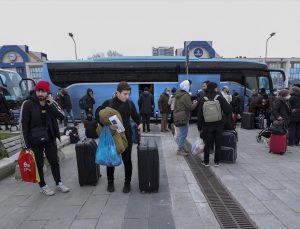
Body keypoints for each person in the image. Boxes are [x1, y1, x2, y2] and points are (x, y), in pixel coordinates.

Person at [20, 80, 69, 196]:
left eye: (43, 91)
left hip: (49, 137)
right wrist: (26, 145)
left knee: (54, 162)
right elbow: (23, 125)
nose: (40, 94)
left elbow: (62, 116)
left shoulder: (51, 102)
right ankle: (43, 185)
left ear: (47, 92)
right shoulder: (27, 103)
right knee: (39, 164)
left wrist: (51, 104)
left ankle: (59, 182)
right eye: (38, 91)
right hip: (34, 140)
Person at [97, 81, 142, 193]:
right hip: (112, 137)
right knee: (111, 159)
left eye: (128, 94)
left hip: (126, 137)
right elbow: (98, 116)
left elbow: (136, 116)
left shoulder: (130, 104)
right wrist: (107, 125)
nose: (127, 96)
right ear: (118, 93)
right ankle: (110, 182)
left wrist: (140, 123)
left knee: (127, 161)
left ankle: (127, 183)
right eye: (125, 94)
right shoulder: (108, 103)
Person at [197, 82, 232, 167]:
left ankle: (206, 162)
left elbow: (200, 114)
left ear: (207, 88)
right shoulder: (219, 97)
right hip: (218, 124)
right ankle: (217, 162)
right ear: (215, 88)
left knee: (207, 144)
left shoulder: (203, 98)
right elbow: (228, 109)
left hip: (207, 125)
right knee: (218, 143)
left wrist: (199, 126)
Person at [174, 80, 198, 156]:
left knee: (181, 133)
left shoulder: (178, 94)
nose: (191, 86)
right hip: (184, 116)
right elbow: (190, 107)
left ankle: (181, 147)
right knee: (183, 134)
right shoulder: (186, 95)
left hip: (178, 115)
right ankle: (179, 150)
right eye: (190, 85)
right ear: (187, 86)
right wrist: (195, 103)